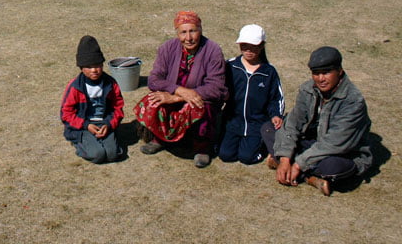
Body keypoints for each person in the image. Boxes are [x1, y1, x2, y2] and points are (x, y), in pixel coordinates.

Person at [266, 46, 372, 196]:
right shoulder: (307, 89)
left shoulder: (353, 101)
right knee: (269, 127)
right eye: (316, 73)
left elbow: (335, 143)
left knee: (331, 167)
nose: (320, 78)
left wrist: (297, 165)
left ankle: (300, 171)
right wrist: (284, 158)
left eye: (326, 72)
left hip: (340, 152)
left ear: (339, 71)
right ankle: (308, 176)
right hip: (311, 142)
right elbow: (293, 122)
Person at [133, 11, 227, 168]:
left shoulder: (213, 50)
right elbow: (154, 80)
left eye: (193, 31)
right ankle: (159, 138)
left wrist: (179, 97)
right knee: (152, 101)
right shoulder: (167, 48)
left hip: (199, 99)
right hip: (175, 94)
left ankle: (201, 148)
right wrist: (179, 91)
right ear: (177, 33)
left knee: (200, 106)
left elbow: (216, 88)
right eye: (183, 32)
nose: (188, 38)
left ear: (200, 30)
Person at [218, 24, 284, 165]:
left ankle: (264, 146)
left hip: (256, 123)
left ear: (261, 46)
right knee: (225, 155)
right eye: (244, 45)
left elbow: (276, 98)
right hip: (233, 121)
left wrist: (275, 114)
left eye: (253, 46)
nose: (248, 50)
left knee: (247, 157)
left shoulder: (269, 71)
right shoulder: (231, 66)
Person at [60, 35, 125, 163]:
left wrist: (109, 124)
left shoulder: (110, 84)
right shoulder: (75, 87)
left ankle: (105, 139)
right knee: (98, 155)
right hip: (83, 125)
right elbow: (65, 113)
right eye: (89, 67)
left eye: (98, 65)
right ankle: (79, 142)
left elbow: (118, 107)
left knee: (113, 155)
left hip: (104, 122)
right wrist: (86, 125)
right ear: (81, 67)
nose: (94, 70)